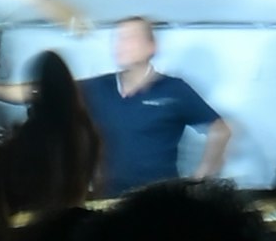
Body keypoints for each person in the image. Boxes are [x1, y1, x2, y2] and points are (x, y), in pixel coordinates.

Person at [88, 40, 227, 202]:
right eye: (120, 39)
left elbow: (220, 130)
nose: (123, 45)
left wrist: (200, 179)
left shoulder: (173, 89)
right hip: (108, 199)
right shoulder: (97, 87)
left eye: (132, 39)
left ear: (150, 47)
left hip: (159, 201)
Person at [9, 63, 98, 222]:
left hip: (42, 221)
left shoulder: (34, 131)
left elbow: (18, 184)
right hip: (75, 218)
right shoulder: (85, 127)